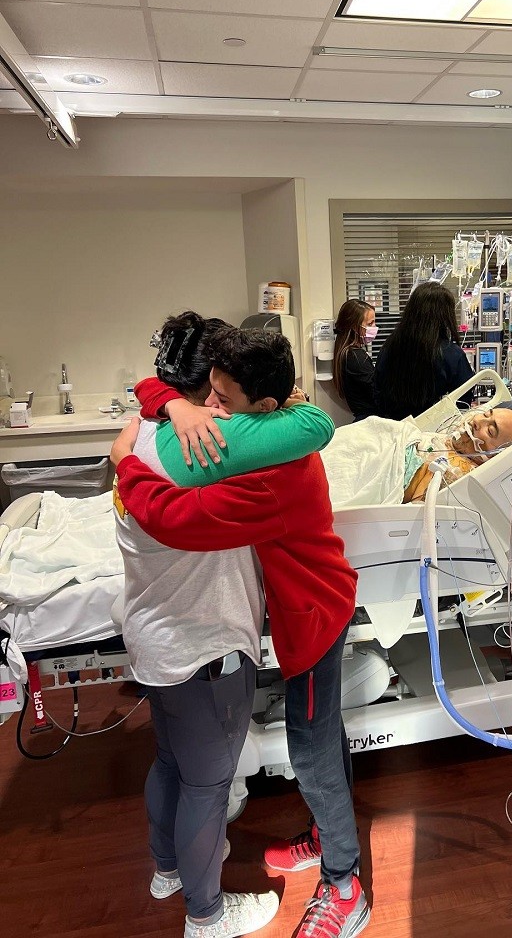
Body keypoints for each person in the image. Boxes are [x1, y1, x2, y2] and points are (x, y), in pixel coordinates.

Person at [112, 325, 370, 938]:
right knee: (318, 738)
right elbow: (170, 397)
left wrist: (126, 466)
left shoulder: (273, 474)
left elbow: (176, 519)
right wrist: (167, 399)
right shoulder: (260, 435)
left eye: (225, 402)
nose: (212, 413)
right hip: (295, 605)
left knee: (311, 753)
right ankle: (324, 835)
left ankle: (345, 884)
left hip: (312, 615)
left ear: (267, 412)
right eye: (209, 395)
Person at [374, 281, 474, 421]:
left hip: (394, 429)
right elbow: (463, 403)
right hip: (434, 431)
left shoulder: (389, 348)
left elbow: (378, 392)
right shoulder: (452, 355)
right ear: (445, 316)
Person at [333, 299, 377, 421]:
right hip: (371, 420)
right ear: (354, 327)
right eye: (370, 324)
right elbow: (376, 392)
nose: (374, 327)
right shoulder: (356, 358)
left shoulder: (347, 353)